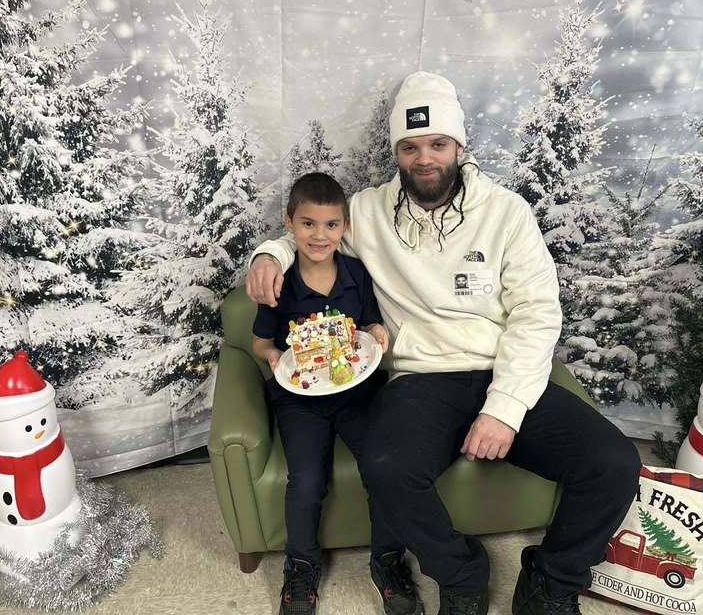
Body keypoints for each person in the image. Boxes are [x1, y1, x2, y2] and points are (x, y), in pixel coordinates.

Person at [247, 72, 641, 615]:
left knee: (614, 462)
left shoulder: (507, 212)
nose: (424, 158)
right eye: (409, 147)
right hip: (421, 380)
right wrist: (269, 254)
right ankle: (461, 572)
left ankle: (551, 582)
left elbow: (537, 314)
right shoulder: (367, 211)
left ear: (459, 144)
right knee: (385, 467)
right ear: (397, 153)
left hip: (502, 370)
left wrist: (503, 410)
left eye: (437, 143)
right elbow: (314, 234)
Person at [252, 172, 417, 615]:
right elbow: (262, 343)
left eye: (330, 225)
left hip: (357, 391)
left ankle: (388, 560)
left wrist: (377, 332)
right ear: (289, 223)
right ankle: (301, 566)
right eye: (308, 224)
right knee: (306, 481)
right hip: (300, 398)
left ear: (343, 227)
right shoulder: (280, 282)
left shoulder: (357, 273)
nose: (319, 235)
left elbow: (368, 325)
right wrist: (273, 358)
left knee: (383, 468)